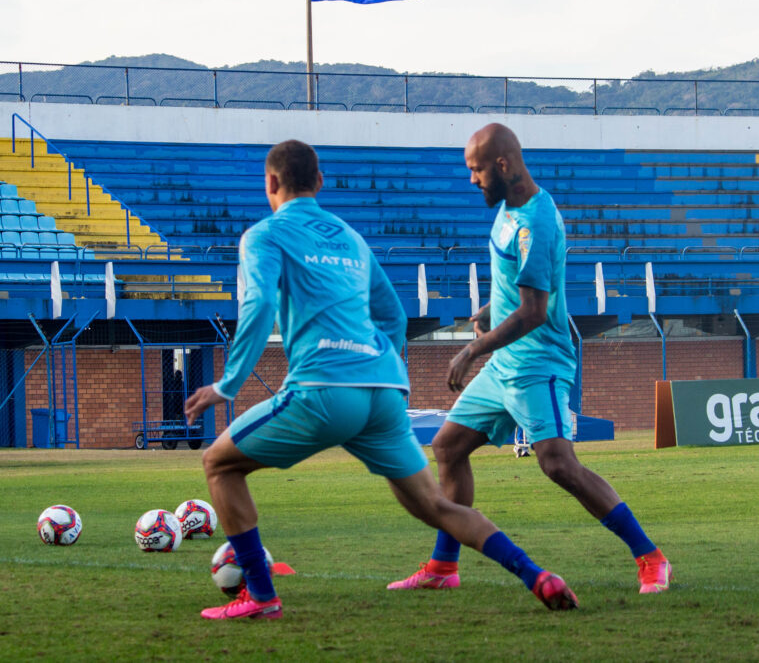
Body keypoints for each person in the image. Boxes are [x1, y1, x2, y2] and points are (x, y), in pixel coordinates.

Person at [185, 139, 578, 621]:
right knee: (436, 505)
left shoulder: (264, 236)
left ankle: (261, 596)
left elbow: (260, 304)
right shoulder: (350, 237)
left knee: (220, 465)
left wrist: (226, 385)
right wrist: (380, 371)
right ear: (320, 182)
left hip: (323, 391)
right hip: (385, 393)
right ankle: (536, 575)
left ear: (270, 182)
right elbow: (393, 314)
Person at [388, 123, 671, 595]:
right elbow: (520, 286)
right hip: (505, 365)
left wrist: (472, 348)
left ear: (503, 165)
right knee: (448, 448)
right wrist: (489, 310)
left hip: (538, 364)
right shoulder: (507, 209)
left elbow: (535, 311)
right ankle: (443, 567)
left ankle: (651, 557)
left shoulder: (536, 222)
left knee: (559, 465)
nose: (472, 180)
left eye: (477, 170)